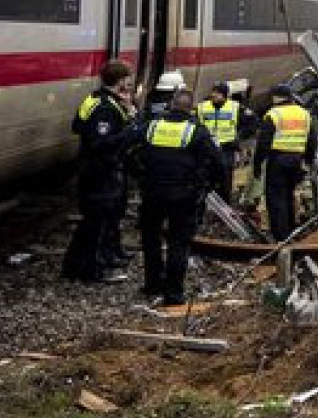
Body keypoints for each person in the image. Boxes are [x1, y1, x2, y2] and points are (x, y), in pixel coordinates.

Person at [130, 88, 224, 306]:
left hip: (153, 192)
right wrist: (210, 184)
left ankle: (152, 283)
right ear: (191, 108)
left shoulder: (152, 126)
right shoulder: (198, 132)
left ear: (171, 105)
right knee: (178, 242)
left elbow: (126, 147)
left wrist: (139, 175)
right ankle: (173, 293)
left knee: (151, 238)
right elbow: (218, 162)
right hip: (184, 195)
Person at [63, 59, 137, 284]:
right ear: (121, 80)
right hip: (100, 171)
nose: (129, 83)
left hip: (96, 169)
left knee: (96, 220)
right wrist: (130, 129)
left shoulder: (94, 99)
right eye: (127, 79)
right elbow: (101, 143)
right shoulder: (106, 107)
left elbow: (77, 125)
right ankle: (91, 269)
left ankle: (81, 264)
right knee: (96, 221)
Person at [255, 84, 314, 241]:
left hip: (278, 160)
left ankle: (281, 236)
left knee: (276, 198)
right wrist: (308, 161)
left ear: (276, 97)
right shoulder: (304, 114)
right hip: (296, 160)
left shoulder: (273, 114)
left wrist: (257, 165)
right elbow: (311, 140)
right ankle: (290, 229)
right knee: (289, 195)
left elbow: (263, 144)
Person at [196, 82, 249, 200]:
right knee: (205, 180)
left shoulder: (235, 107)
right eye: (213, 92)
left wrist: (239, 138)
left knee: (225, 181)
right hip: (208, 150)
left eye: (218, 93)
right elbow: (195, 125)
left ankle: (224, 206)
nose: (214, 95)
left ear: (225, 95)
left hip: (226, 149)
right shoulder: (202, 107)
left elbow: (252, 123)